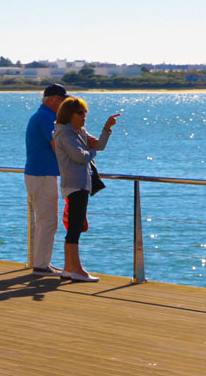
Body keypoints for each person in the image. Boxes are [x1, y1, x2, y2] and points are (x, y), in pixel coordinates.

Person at [53, 97, 120, 282]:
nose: (84, 116)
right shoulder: (65, 134)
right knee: (74, 228)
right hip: (74, 185)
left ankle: (68, 269)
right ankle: (78, 270)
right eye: (80, 112)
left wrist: (107, 128)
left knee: (75, 227)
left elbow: (99, 145)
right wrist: (91, 153)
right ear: (69, 114)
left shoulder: (79, 131)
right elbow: (80, 157)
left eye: (85, 112)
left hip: (82, 184)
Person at [24, 83, 68, 277]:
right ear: (54, 100)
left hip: (40, 174)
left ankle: (42, 263)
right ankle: (41, 266)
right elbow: (57, 146)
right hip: (42, 175)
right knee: (48, 221)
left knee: (45, 220)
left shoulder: (43, 116)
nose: (65, 104)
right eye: (63, 100)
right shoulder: (46, 117)